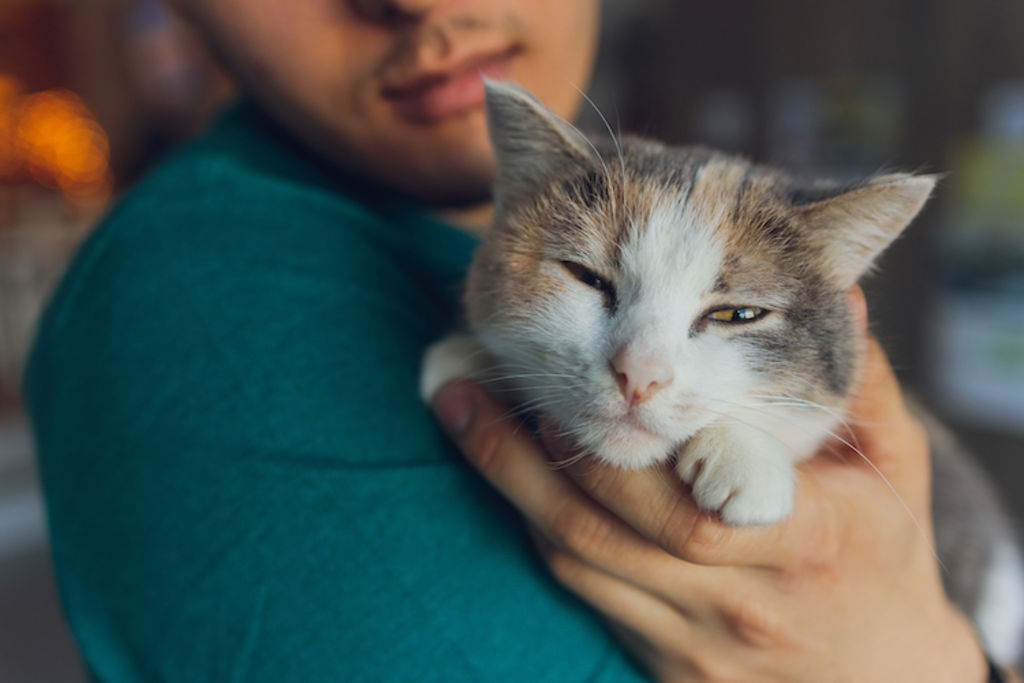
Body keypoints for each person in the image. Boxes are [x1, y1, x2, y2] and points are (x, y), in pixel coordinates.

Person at [23, 0, 1003, 680]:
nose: (415, 4)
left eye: (730, 314)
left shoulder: (565, 204)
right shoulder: (197, 305)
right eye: (585, 279)